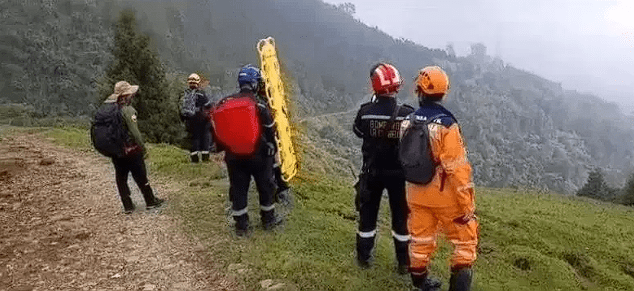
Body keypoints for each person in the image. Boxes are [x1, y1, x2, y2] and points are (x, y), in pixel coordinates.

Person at [402, 66, 478, 291]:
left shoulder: (407, 120)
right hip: (445, 196)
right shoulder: (447, 125)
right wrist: (467, 206)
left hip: (415, 192)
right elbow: (457, 169)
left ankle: (420, 282)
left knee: (420, 239)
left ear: (419, 91)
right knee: (465, 242)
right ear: (444, 92)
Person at [352, 63, 414, 273]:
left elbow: (358, 131)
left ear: (374, 86)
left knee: (368, 215)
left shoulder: (366, 112)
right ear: (397, 86)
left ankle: (363, 258)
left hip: (372, 172)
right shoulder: (407, 114)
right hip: (399, 175)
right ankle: (404, 263)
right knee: (400, 217)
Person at [220, 65, 283, 237]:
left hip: (233, 156)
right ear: (255, 84)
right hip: (258, 156)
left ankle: (241, 226)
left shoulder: (225, 102)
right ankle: (268, 220)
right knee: (265, 187)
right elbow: (270, 130)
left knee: (239, 189)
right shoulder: (260, 105)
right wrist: (272, 149)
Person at [103, 81, 164, 213]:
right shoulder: (127, 110)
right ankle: (150, 201)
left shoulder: (110, 110)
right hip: (131, 150)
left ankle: (127, 205)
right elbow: (135, 132)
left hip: (117, 150)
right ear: (126, 95)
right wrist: (143, 148)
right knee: (140, 175)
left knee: (121, 177)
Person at [180, 73, 212, 163]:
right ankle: (205, 157)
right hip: (201, 119)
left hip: (190, 120)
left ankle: (194, 158)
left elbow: (181, 108)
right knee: (205, 136)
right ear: (198, 83)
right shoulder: (201, 94)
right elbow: (208, 105)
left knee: (194, 138)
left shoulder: (185, 94)